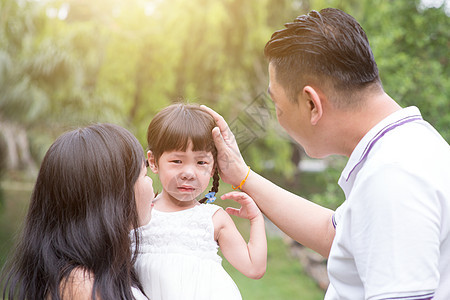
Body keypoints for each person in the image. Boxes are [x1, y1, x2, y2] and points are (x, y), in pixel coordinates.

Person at [201, 7, 450, 300]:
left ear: (311, 104)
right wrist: (242, 176)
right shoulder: (409, 146)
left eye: (278, 105)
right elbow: (338, 237)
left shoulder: (392, 177)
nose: (278, 117)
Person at [0, 123, 154, 300]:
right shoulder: (79, 285)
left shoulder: (100, 274)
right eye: (144, 174)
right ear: (114, 196)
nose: (151, 183)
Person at [134, 103, 267, 300]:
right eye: (177, 161)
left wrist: (256, 219)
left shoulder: (212, 219)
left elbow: (253, 267)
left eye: (201, 162)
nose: (189, 173)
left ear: (213, 167)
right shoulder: (138, 214)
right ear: (153, 162)